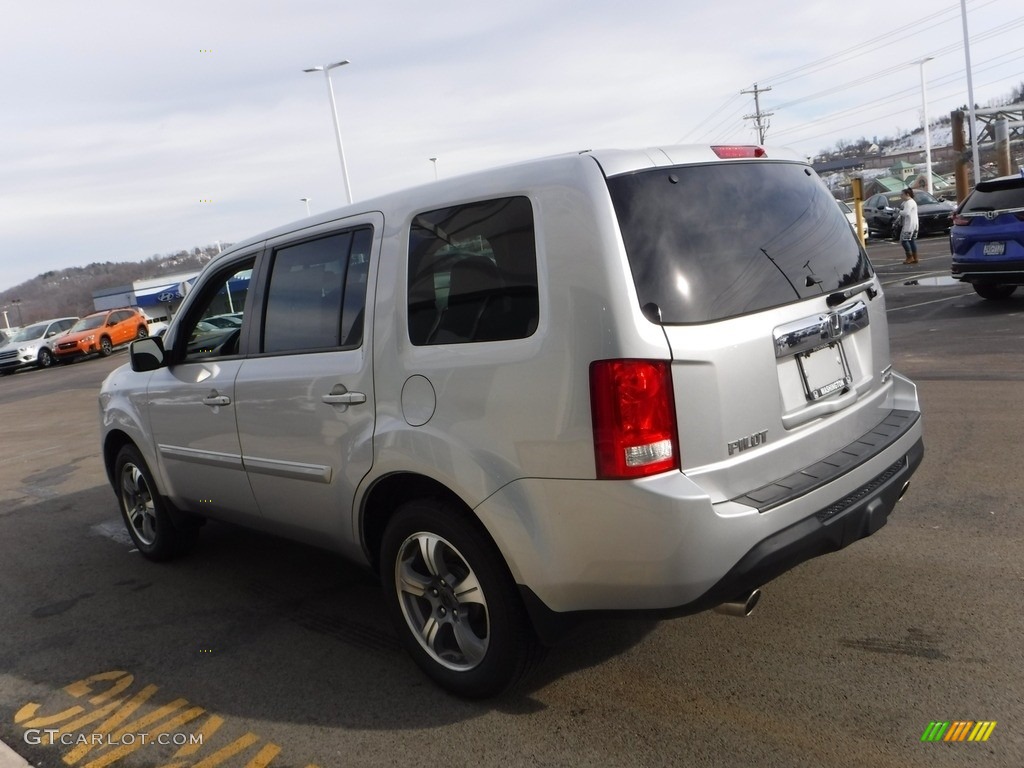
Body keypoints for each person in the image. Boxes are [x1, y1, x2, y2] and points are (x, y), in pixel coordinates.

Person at [899, 188, 919, 264]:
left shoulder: (908, 202)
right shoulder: (911, 202)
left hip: (909, 224)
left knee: (904, 240)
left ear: (907, 194)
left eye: (902, 195)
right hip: (914, 223)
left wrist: (898, 211)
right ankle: (915, 257)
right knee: (911, 240)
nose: (901, 196)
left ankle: (910, 257)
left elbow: (906, 213)